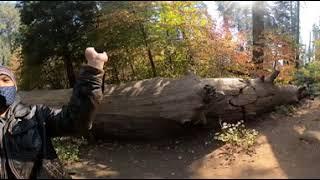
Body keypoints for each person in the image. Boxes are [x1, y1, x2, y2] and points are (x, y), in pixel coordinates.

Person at [0, 47, 108, 179]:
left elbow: (75, 120)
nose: (1, 86)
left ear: (15, 87)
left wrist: (93, 71)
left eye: (5, 80)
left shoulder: (36, 115)